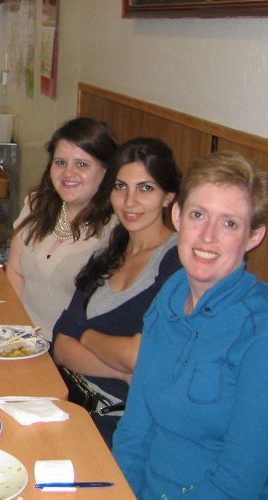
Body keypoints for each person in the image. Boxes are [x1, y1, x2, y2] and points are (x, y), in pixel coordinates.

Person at [113, 152, 268, 498]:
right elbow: (135, 431)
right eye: (198, 215)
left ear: (253, 236)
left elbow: (237, 484)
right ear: (177, 215)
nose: (207, 237)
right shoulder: (169, 298)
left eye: (229, 224)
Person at [52, 138, 182, 447]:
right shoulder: (107, 255)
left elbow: (139, 356)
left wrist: (85, 336)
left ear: (168, 198)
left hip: (122, 424)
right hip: (70, 398)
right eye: (121, 187)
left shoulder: (176, 262)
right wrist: (120, 372)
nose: (130, 201)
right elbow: (60, 343)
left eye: (146, 188)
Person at [6, 117, 117, 337]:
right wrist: (19, 333)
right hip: (20, 336)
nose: (68, 173)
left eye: (82, 164)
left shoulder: (114, 230)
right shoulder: (37, 204)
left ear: (107, 171)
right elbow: (15, 271)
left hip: (68, 354)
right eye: (60, 162)